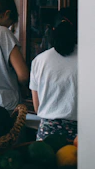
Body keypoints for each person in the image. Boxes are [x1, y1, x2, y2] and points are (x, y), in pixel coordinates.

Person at [30, 8, 78, 141]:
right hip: (81, 135)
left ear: (51, 30)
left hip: (47, 134)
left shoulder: (39, 61)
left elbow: (36, 106)